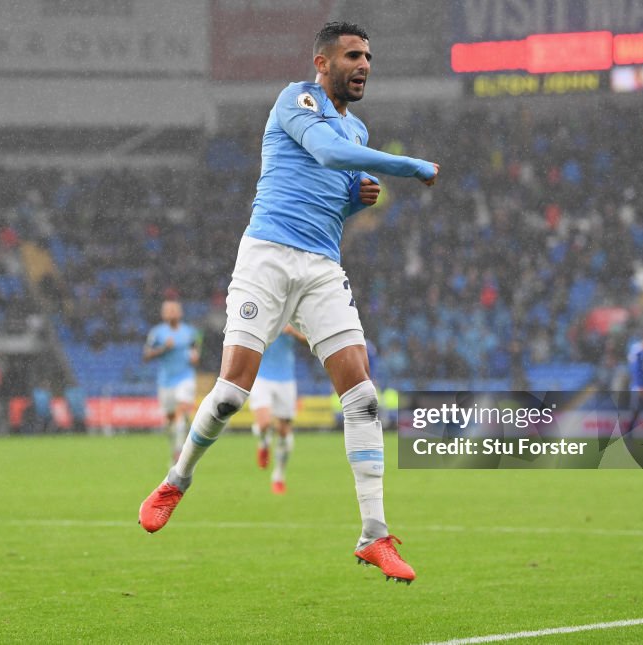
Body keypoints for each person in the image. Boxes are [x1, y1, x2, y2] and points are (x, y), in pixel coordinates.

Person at [139, 21, 438, 584]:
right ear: (323, 64)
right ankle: (178, 478)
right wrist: (410, 166)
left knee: (364, 397)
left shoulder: (359, 129)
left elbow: (330, 199)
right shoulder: (296, 99)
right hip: (268, 258)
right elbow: (323, 153)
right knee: (230, 394)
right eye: (352, 55)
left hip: (321, 267)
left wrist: (357, 202)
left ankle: (374, 535)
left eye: (369, 56)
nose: (364, 64)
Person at [251, 324, 307, 495]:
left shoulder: (296, 315)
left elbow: (310, 341)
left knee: (284, 433)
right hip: (261, 376)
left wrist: (293, 332)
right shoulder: (266, 310)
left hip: (286, 380)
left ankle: (278, 476)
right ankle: (263, 442)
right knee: (264, 423)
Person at [143, 299, 199, 463]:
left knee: (180, 414)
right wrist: (163, 349)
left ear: (180, 313)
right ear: (163, 314)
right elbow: (146, 356)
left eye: (175, 310)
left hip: (185, 377)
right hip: (166, 381)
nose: (172, 313)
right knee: (169, 421)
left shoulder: (190, 332)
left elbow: (195, 352)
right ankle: (175, 445)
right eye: (169, 310)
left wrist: (195, 357)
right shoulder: (157, 333)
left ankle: (179, 453)